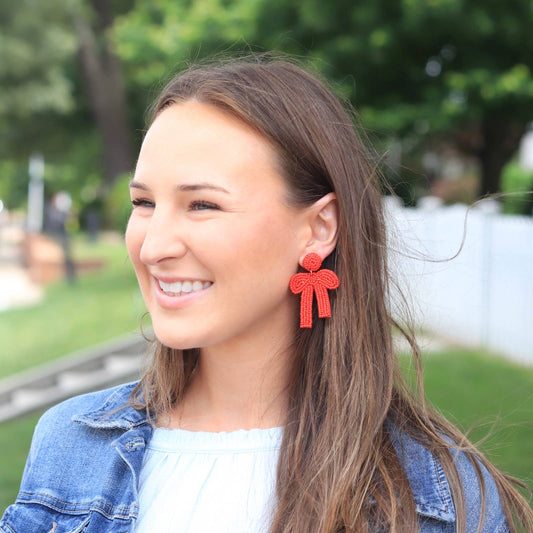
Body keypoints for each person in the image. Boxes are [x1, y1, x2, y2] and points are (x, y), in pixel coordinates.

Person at [1, 55, 532, 533]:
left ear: (319, 228)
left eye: (202, 205)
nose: (153, 245)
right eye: (143, 203)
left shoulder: (442, 501)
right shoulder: (70, 448)